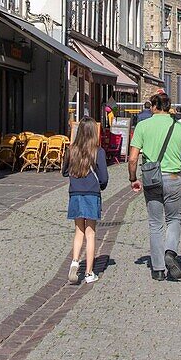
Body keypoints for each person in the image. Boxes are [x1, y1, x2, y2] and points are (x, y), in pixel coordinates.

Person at [128, 91, 181, 282]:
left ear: (153, 107)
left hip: (151, 179)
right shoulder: (180, 128)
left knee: (155, 223)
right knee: (174, 219)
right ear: (168, 107)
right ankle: (170, 252)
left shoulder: (142, 126)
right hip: (174, 178)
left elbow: (133, 158)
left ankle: (157, 269)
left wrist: (133, 178)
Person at [63, 116, 108, 285]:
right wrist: (101, 186)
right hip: (91, 193)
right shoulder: (98, 151)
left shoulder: (72, 149)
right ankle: (89, 273)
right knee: (91, 233)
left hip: (75, 193)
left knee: (78, 231)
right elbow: (103, 177)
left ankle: (75, 262)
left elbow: (64, 171)